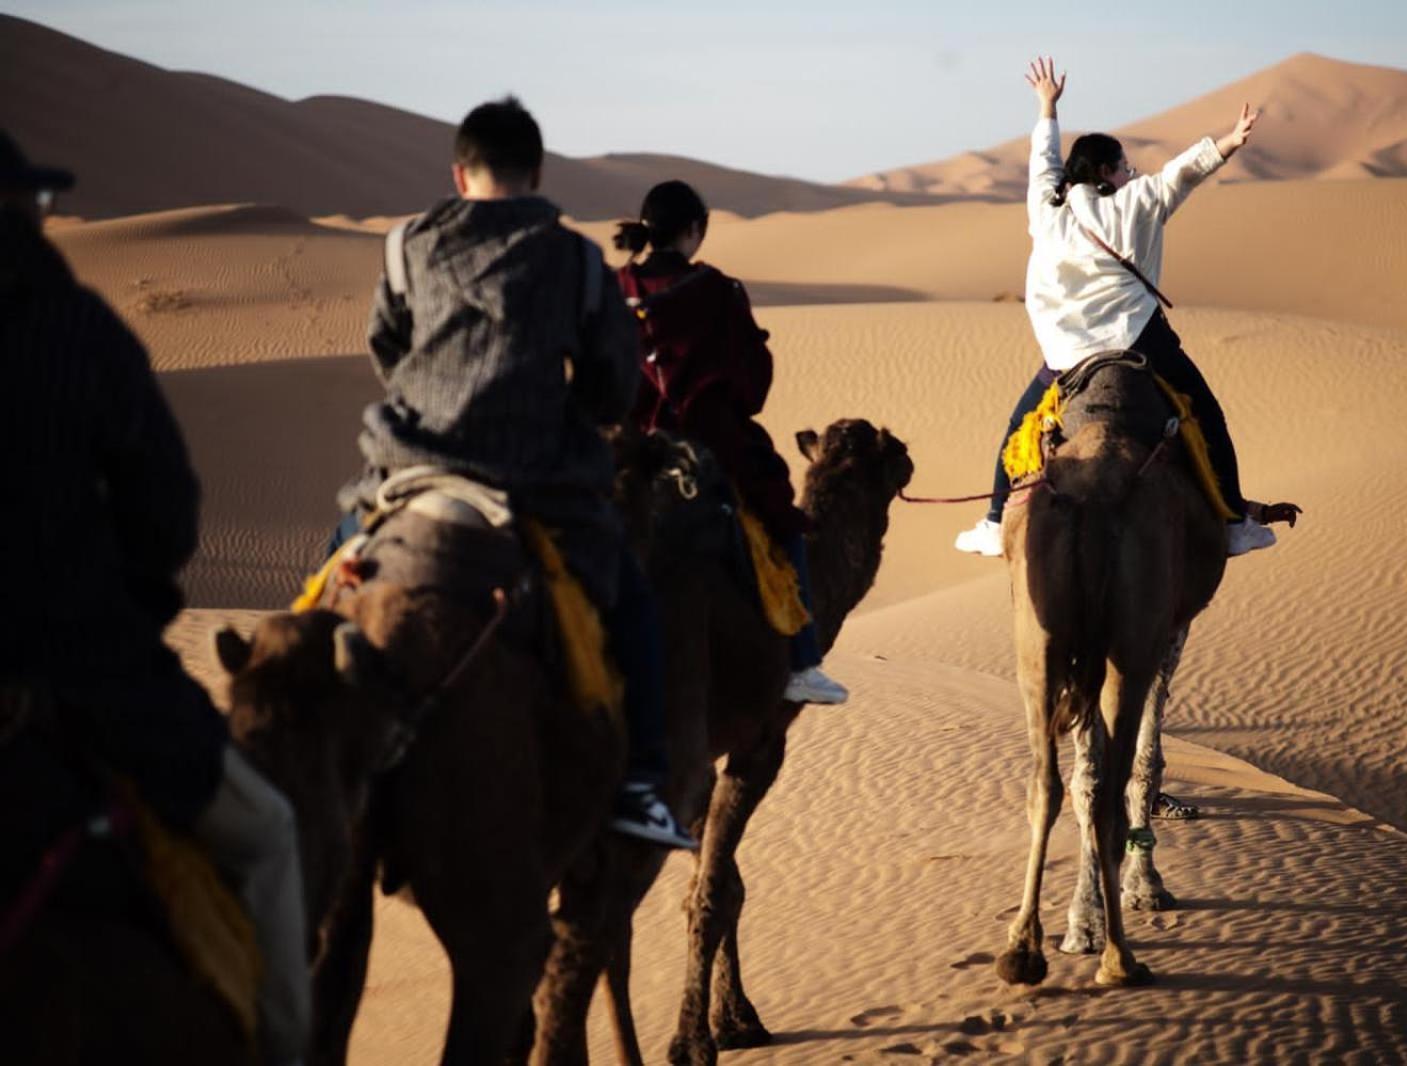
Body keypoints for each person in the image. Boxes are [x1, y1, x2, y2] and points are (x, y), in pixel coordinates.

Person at [0, 131, 310, 1066]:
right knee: (268, 839)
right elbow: (167, 513)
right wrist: (117, 614)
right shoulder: (75, 329)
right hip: (91, 680)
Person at [337, 98, 696, 849]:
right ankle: (641, 785)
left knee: (337, 570)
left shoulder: (405, 248)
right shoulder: (575, 262)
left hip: (408, 472)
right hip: (536, 483)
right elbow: (611, 385)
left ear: (459, 176)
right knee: (630, 602)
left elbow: (387, 350)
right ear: (536, 174)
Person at [954, 56, 1281, 559]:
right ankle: (1235, 522)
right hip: (1137, 340)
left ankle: (997, 522)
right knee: (1206, 412)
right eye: (1125, 167)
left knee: (1020, 426)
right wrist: (1229, 143)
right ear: (1107, 173)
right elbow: (1182, 174)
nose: (1133, 174)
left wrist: (1046, 108)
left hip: (1065, 354)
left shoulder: (1047, 211)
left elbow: (1043, 163)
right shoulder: (1137, 202)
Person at [613, 181, 848, 706]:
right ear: (694, 230)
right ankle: (802, 662)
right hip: (708, 442)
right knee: (782, 524)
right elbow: (753, 382)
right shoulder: (716, 290)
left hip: (624, 449)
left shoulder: (613, 287)